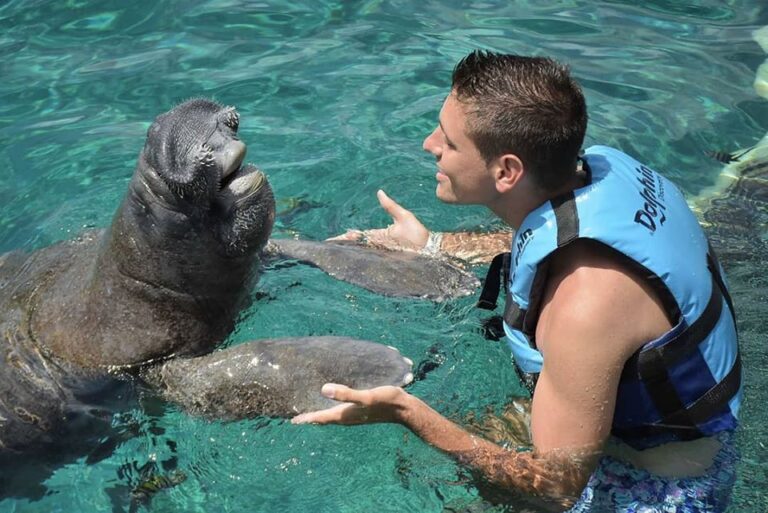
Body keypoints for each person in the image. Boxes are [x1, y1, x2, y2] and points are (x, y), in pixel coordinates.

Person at [292, 51, 743, 512]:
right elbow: (548, 231)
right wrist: (432, 245)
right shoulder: (593, 173)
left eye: (448, 142)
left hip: (657, 491)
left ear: (506, 171)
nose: (429, 144)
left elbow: (554, 489)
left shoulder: (585, 306)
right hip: (625, 433)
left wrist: (408, 414)